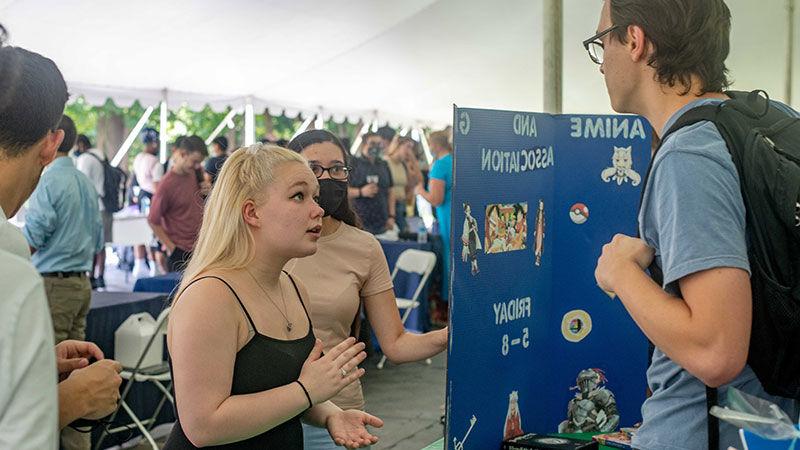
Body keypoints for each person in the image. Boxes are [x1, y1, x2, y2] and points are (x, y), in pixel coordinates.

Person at [589, 1, 799, 448]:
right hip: (772, 424)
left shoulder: (690, 154)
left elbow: (715, 349)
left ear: (634, 41)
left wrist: (621, 272)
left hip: (707, 431)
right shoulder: (773, 119)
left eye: (600, 42)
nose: (601, 62)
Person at [164, 143, 383, 449]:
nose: (318, 209)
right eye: (299, 196)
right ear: (252, 212)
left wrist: (331, 413)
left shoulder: (293, 288)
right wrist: (308, 391)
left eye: (315, 197)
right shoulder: (210, 296)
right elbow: (203, 425)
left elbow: (285, 391)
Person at [286, 130, 448, 450]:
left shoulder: (362, 247)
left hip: (339, 418)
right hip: (268, 414)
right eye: (313, 168)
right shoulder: (270, 240)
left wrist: (450, 335)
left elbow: (396, 343)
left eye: (337, 169)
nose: (325, 178)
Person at [0, 28, 122, 449]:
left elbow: (38, 231)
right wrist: (67, 400)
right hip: (77, 281)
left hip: (58, 281)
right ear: (51, 143)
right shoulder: (10, 275)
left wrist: (36, 373)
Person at [23, 114, 103, 345]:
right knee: (75, 358)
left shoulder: (48, 181)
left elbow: (36, 234)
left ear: (49, 138)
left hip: (55, 285)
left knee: (50, 358)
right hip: (82, 285)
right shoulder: (85, 182)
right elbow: (98, 241)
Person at [148, 135, 208, 272]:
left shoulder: (195, 174)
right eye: (195, 161)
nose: (197, 166)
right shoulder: (166, 185)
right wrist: (172, 248)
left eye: (199, 162)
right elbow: (153, 220)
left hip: (199, 247)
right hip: (180, 252)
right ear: (182, 154)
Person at [415, 129, 453, 295]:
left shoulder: (440, 165)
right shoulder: (455, 161)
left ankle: (448, 300)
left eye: (429, 144)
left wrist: (420, 191)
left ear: (436, 145)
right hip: (458, 214)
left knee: (448, 257)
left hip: (447, 216)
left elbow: (437, 199)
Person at [74, 135, 112, 289]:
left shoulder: (84, 159)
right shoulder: (100, 155)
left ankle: (90, 276)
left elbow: (80, 184)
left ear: (81, 145)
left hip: (92, 206)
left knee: (90, 242)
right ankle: (101, 275)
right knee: (102, 244)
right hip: (105, 205)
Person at [132, 127, 165, 277]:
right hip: (152, 197)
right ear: (153, 143)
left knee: (140, 230)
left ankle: (139, 263)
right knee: (153, 231)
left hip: (141, 197)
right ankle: (154, 265)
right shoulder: (155, 162)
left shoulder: (138, 158)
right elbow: (158, 186)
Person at [348, 132, 395, 234]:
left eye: (379, 144)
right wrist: (361, 192)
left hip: (382, 221)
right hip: (360, 222)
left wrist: (391, 216)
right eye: (372, 143)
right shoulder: (354, 163)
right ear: (364, 144)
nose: (376, 147)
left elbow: (391, 191)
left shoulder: (384, 164)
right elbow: (343, 191)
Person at [384, 136, 422, 233]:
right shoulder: (385, 162)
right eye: (407, 147)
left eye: (411, 148)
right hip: (388, 207)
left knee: (404, 233)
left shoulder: (403, 164)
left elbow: (418, 180)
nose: (409, 151)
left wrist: (413, 158)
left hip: (402, 205)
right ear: (398, 145)